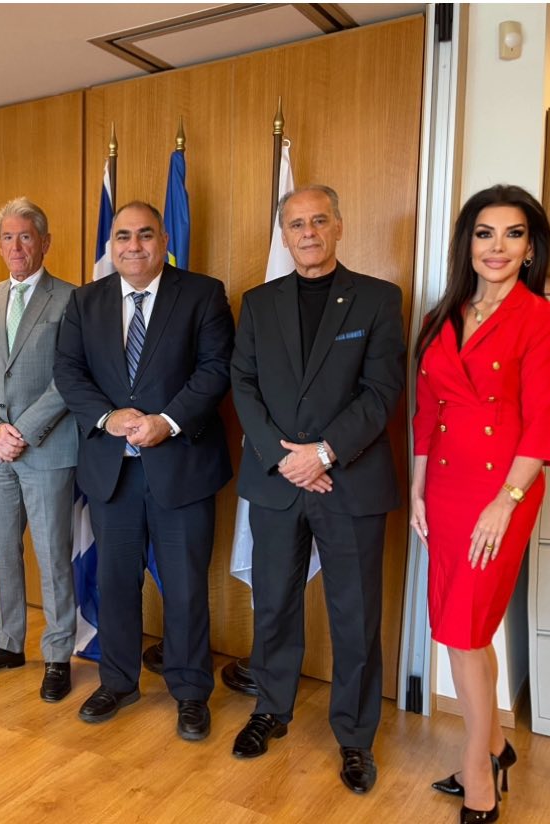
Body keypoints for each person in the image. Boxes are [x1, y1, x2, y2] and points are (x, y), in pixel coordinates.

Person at [230, 186, 404, 793]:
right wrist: (287, 459)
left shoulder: (379, 299)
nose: (308, 232)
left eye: (319, 221)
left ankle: (355, 738)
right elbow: (243, 384)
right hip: (277, 481)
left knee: (354, 615)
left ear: (339, 226)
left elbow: (382, 392)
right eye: (297, 224)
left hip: (349, 481)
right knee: (274, 604)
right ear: (284, 235)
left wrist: (324, 452)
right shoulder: (257, 303)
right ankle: (270, 709)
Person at [411, 185, 550, 824]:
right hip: (444, 490)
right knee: (458, 627)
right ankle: (496, 745)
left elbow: (543, 423)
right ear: (467, 244)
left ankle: (478, 771)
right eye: (484, 233)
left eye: (512, 234)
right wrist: (416, 489)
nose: (497, 247)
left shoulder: (540, 317)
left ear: (530, 248)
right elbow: (427, 412)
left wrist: (507, 501)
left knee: (465, 628)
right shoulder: (440, 316)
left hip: (503, 487)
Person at [54, 201, 234, 740]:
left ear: (163, 241)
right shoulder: (86, 301)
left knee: (185, 588)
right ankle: (118, 681)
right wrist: (107, 417)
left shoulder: (202, 294)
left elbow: (215, 369)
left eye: (146, 234)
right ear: (111, 243)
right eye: (123, 236)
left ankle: (190, 690)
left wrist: (168, 422)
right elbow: (68, 371)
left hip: (182, 467)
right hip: (112, 473)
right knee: (115, 583)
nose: (134, 246)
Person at [0, 198, 78, 701]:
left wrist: (20, 431)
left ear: (44, 242)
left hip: (46, 449)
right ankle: (7, 643)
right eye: (7, 237)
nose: (16, 247)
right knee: (3, 551)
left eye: (25, 236)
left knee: (52, 556)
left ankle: (58, 654)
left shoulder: (70, 299)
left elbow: (70, 377)